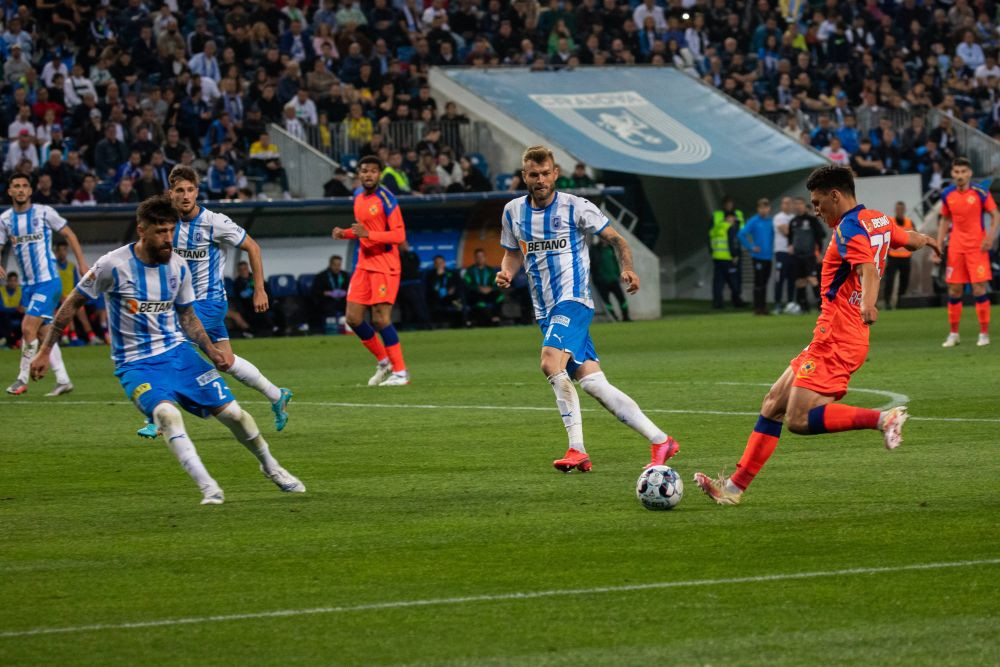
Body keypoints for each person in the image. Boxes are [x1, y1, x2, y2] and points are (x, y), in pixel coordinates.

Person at [29, 196, 304, 505]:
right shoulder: (112, 265)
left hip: (178, 355)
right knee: (166, 414)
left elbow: (187, 316)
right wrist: (43, 351)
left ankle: (272, 467)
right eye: (160, 232)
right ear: (141, 230)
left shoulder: (177, 266)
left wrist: (210, 349)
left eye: (171, 231)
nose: (167, 239)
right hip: (136, 365)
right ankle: (209, 488)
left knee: (236, 415)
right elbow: (71, 305)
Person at [693, 165, 940, 506]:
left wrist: (869, 304)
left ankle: (884, 419)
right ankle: (733, 489)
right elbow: (904, 238)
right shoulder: (876, 219)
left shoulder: (849, 229)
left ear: (835, 195)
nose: (816, 211)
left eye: (819, 202)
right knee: (772, 405)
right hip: (830, 335)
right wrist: (926, 241)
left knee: (797, 419)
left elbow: (867, 266)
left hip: (839, 338)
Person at [495, 145, 677, 472]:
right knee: (594, 384)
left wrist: (628, 268)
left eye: (545, 174)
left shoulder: (575, 207)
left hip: (574, 301)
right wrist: (507, 271)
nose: (540, 180)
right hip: (545, 310)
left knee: (550, 363)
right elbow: (512, 251)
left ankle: (576, 448)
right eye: (533, 175)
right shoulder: (512, 212)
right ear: (525, 176)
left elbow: (617, 239)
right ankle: (661, 440)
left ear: (555, 174)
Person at [135, 165, 293, 439]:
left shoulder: (214, 222)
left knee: (169, 346)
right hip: (181, 304)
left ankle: (158, 416)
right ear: (170, 193)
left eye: (190, 190)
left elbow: (252, 247)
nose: (185, 196)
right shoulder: (167, 226)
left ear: (197, 192)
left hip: (208, 302)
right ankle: (276, 395)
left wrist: (260, 290)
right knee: (224, 361)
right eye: (179, 190)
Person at [0, 174, 87, 396]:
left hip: (48, 281)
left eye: (24, 186)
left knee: (27, 327)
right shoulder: (5, 219)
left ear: (30, 191)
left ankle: (21, 378)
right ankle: (63, 380)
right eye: (16, 186)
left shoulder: (43, 212)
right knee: (42, 333)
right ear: (9, 191)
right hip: (27, 286)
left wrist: (82, 264)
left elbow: (69, 234)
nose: (20, 190)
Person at [332, 155, 410, 386]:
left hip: (385, 263)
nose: (368, 174)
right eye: (364, 170)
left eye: (373, 171)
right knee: (353, 318)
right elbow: (362, 229)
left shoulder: (387, 199)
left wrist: (368, 235)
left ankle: (401, 372)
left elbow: (399, 235)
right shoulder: (357, 195)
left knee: (381, 319)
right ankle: (383, 360)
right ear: (359, 173)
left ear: (379, 174)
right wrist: (344, 233)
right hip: (363, 263)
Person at [934, 157, 999, 347]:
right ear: (952, 174)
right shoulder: (947, 194)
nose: (960, 176)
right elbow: (945, 220)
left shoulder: (981, 192)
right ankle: (954, 333)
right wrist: (938, 244)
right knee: (954, 290)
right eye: (957, 172)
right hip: (955, 247)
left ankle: (984, 333)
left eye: (963, 172)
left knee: (979, 288)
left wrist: (990, 237)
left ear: (969, 173)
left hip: (977, 247)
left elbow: (995, 214)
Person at [54, 241, 99, 345]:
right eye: (60, 250)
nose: (62, 253)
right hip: (57, 298)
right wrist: (61, 296)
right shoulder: (53, 266)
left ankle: (91, 336)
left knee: (81, 312)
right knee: (68, 308)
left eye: (64, 250)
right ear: (56, 252)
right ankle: (69, 336)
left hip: (71, 296)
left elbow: (76, 283)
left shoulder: (72, 266)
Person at [787, 197, 826, 313]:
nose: (798, 206)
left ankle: (821, 305)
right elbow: (790, 237)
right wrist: (790, 245)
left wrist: (819, 252)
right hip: (796, 255)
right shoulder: (793, 221)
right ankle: (804, 306)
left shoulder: (812, 220)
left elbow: (821, 236)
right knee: (800, 281)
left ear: (804, 206)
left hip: (809, 254)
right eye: (796, 204)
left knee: (812, 278)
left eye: (800, 204)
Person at [738, 198, 775, 315]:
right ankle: (757, 308)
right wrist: (751, 247)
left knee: (764, 282)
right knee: (758, 282)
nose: (764, 210)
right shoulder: (754, 221)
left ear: (769, 209)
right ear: (758, 209)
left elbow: (773, 236)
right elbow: (741, 234)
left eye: (766, 207)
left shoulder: (770, 222)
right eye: (761, 208)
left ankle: (763, 307)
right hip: (758, 257)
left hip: (768, 257)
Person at [709, 196, 745, 309]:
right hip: (724, 256)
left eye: (731, 203)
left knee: (732, 280)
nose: (729, 205)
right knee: (724, 281)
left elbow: (741, 233)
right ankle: (719, 302)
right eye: (727, 203)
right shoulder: (719, 219)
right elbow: (712, 235)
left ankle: (735, 300)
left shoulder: (738, 217)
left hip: (727, 255)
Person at [883, 202, 916, 310]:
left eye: (901, 209)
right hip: (893, 256)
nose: (900, 211)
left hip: (906, 256)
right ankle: (887, 302)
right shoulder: (890, 221)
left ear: (904, 210)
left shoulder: (910, 222)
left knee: (904, 281)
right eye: (898, 209)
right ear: (895, 210)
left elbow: (915, 236)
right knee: (889, 280)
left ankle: (900, 302)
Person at [589, 236, 631, 321]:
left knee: (622, 299)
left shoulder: (610, 248)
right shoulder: (595, 249)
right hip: (601, 281)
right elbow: (591, 265)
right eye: (603, 238)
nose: (604, 239)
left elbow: (615, 262)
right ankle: (615, 319)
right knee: (607, 301)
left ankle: (626, 317)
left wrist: (619, 274)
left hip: (613, 279)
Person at [463, 248, 503, 326]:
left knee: (500, 296)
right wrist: (478, 288)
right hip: (476, 294)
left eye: (481, 256)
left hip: (489, 292)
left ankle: (496, 317)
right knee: (478, 301)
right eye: (478, 257)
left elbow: (495, 283)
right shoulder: (469, 270)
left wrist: (490, 288)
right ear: (475, 258)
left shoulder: (490, 270)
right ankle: (491, 319)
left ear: (485, 258)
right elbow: (467, 284)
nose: (480, 259)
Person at [310, 254, 350, 331]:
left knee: (351, 306)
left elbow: (350, 289)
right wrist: (329, 293)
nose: (337, 267)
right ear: (330, 264)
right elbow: (315, 291)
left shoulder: (344, 275)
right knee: (328, 307)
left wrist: (344, 292)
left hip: (342, 301)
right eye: (335, 265)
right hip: (328, 301)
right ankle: (330, 328)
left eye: (339, 265)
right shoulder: (321, 276)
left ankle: (348, 329)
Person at [397, 241, 431, 329]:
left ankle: (425, 325)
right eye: (402, 244)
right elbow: (402, 269)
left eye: (406, 244)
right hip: (403, 285)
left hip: (415, 284)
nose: (405, 246)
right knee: (405, 307)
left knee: (420, 305)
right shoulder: (397, 256)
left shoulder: (413, 255)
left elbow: (415, 266)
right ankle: (406, 326)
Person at [771, 196, 795, 313]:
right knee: (780, 278)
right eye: (785, 203)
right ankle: (777, 304)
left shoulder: (794, 218)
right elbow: (786, 232)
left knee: (792, 278)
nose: (787, 205)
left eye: (789, 203)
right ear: (782, 205)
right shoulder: (778, 217)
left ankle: (790, 304)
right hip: (781, 252)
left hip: (792, 253)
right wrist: (795, 231)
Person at [425, 254, 463, 328]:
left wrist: (453, 290)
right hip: (436, 298)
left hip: (451, 297)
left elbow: (459, 285)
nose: (439, 265)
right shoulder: (430, 275)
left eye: (441, 262)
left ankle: (461, 325)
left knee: (458, 304)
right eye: (437, 263)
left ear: (444, 263)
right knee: (435, 306)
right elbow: (429, 289)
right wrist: (437, 276)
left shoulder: (452, 273)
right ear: (434, 265)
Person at [1, 271, 23, 347]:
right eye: (11, 281)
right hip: (5, 315)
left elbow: (23, 306)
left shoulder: (21, 290)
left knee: (26, 317)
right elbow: (1, 308)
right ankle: (8, 342)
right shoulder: (1, 290)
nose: (13, 283)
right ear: (7, 281)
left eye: (15, 281)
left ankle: (20, 341)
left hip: (17, 315)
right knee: (4, 317)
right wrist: (15, 309)